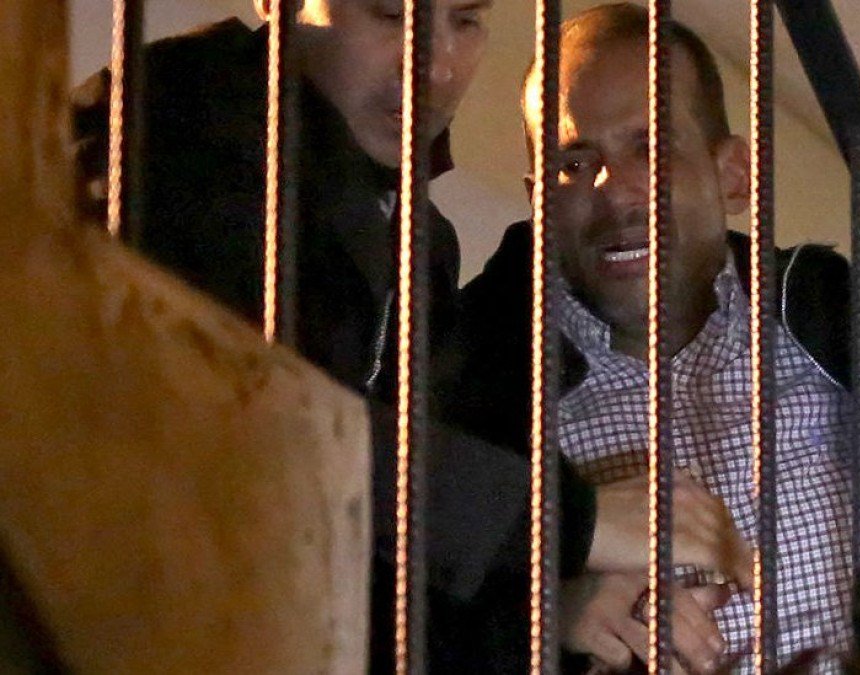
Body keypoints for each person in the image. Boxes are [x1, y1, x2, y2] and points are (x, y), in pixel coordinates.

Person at [71, 1, 752, 671]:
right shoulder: (171, 118)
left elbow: (380, 573)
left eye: (467, 21)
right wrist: (567, 522)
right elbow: (217, 417)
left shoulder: (418, 245)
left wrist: (550, 608)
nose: (437, 67)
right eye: (390, 17)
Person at [443, 3, 860, 672]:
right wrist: (545, 618)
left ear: (733, 174)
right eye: (574, 163)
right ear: (539, 198)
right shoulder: (461, 387)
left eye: (651, 147)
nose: (615, 192)